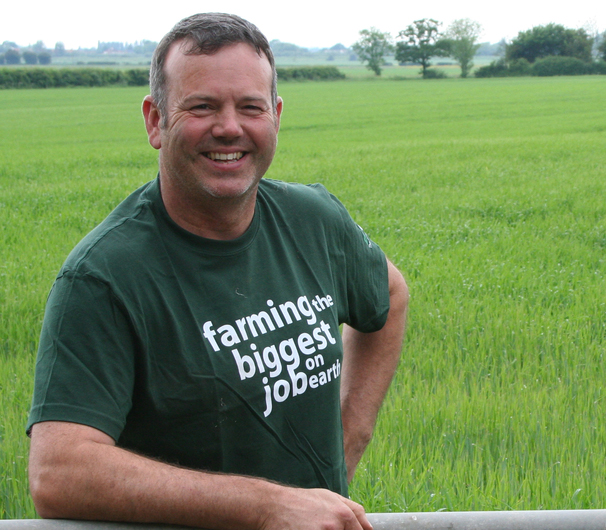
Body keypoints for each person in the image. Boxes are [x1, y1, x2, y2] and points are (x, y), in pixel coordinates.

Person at [26, 13, 408, 530]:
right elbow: (58, 471)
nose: (229, 127)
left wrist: (349, 440)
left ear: (275, 115)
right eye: (202, 106)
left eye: (250, 107)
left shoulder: (313, 221)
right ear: (156, 120)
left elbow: (389, 294)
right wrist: (265, 507)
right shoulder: (104, 277)